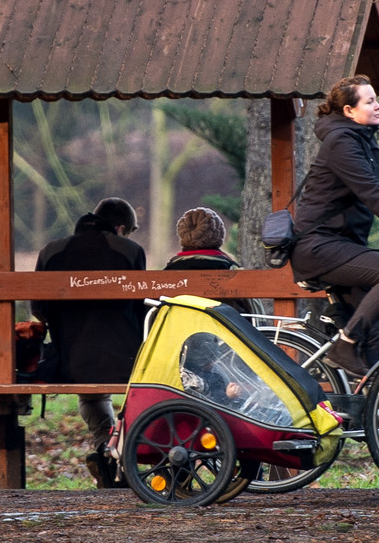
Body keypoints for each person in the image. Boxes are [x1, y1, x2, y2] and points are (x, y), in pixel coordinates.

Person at [290, 75, 379, 377]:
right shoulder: (341, 142)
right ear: (348, 110)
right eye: (369, 101)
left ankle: (364, 411)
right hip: (318, 246)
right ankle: (344, 345)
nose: (378, 106)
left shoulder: (362, 138)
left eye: (376, 100)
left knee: (377, 331)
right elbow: (370, 192)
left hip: (340, 246)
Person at [31, 197, 147, 487]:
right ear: (121, 228)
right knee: (141, 385)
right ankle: (118, 452)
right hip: (126, 363)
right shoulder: (130, 251)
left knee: (92, 393)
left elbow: (38, 309)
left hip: (71, 362)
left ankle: (105, 446)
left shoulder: (51, 251)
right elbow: (140, 306)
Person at [163, 207, 265, 318]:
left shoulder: (169, 272)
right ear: (219, 236)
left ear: (183, 235)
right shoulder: (232, 271)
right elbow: (257, 316)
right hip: (226, 332)